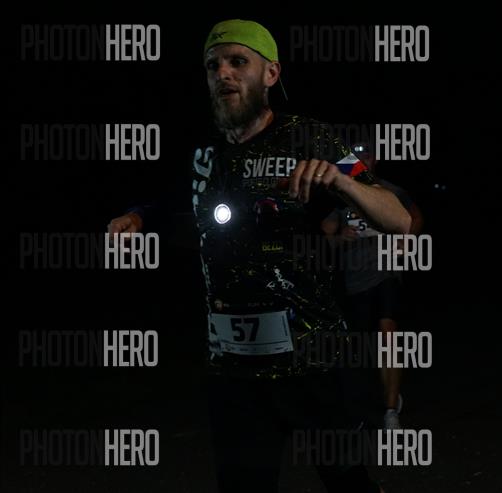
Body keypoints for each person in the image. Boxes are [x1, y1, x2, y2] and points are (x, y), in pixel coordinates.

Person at [107, 19, 409, 493]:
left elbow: (400, 219)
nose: (223, 73)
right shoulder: (203, 151)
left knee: (347, 481)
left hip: (311, 362)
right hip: (231, 369)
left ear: (270, 73)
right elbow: (168, 202)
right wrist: (136, 217)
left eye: (237, 62)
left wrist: (342, 181)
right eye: (213, 65)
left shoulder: (311, 137)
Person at [321, 143, 423, 430]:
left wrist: (406, 241)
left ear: (375, 159)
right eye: (357, 156)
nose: (363, 160)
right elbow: (325, 233)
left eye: (367, 155)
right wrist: (340, 237)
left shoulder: (391, 190)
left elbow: (416, 217)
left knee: (388, 335)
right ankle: (367, 405)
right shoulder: (342, 192)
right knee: (360, 351)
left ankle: (390, 412)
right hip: (355, 282)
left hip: (386, 274)